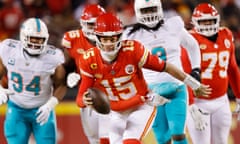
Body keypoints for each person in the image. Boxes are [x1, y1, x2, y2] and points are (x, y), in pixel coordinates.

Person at [75, 12, 211, 144]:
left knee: (131, 140)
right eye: (105, 39)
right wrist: (85, 100)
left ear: (120, 36)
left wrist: (193, 84)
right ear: (97, 38)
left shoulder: (133, 51)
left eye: (113, 38)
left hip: (141, 107)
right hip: (117, 113)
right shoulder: (88, 60)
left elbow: (166, 67)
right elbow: (80, 99)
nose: (109, 43)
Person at [122, 0, 203, 143]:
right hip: (151, 92)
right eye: (146, 11)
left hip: (176, 87)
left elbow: (192, 45)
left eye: (152, 9)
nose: (150, 14)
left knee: (178, 133)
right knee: (162, 138)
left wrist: (196, 69)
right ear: (138, 12)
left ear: (159, 8)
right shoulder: (130, 34)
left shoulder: (173, 25)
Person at [0, 18, 67, 144]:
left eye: (40, 39)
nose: (36, 42)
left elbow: (61, 85)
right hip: (16, 109)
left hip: (42, 109)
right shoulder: (8, 49)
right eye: (33, 38)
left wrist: (49, 105)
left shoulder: (53, 57)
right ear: (23, 37)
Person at [186, 3, 240, 144]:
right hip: (199, 102)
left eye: (210, 20)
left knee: (222, 141)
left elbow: (232, 68)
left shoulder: (226, 34)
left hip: (222, 100)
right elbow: (184, 75)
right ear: (195, 23)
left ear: (217, 20)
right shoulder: (189, 39)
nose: (207, 24)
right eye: (204, 21)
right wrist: (190, 104)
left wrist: (239, 96)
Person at [61, 4, 110, 144]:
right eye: (90, 24)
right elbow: (64, 65)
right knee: (94, 138)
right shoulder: (73, 40)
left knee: (112, 137)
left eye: (97, 24)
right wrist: (70, 75)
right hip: (89, 93)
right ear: (82, 24)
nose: (94, 28)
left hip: (113, 91)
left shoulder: (115, 38)